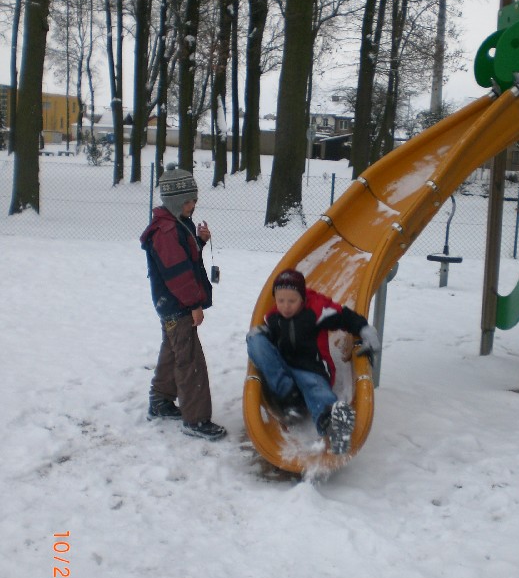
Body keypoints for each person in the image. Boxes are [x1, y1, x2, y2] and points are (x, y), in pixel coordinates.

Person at [246, 269, 380, 455]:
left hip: (310, 368)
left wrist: (364, 329)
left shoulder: (317, 311)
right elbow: (269, 341)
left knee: (316, 390)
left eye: (292, 301)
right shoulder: (273, 317)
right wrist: (261, 335)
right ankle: (290, 398)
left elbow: (345, 317)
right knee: (255, 340)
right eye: (281, 301)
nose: (285, 306)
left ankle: (332, 421)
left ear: (302, 298)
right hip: (284, 374)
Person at [140, 162, 227, 441]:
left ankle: (161, 401)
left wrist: (199, 242)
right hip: (178, 304)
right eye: (189, 201)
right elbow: (178, 274)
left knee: (173, 349)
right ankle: (196, 419)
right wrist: (193, 305)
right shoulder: (166, 232)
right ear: (176, 200)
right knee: (189, 361)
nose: (193, 205)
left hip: (173, 305)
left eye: (195, 200)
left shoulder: (177, 224)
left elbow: (185, 257)